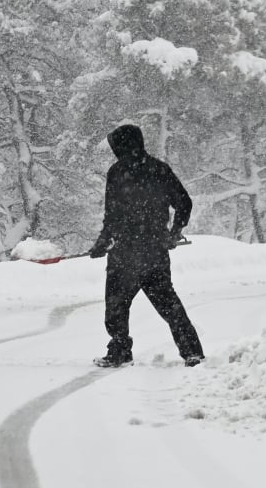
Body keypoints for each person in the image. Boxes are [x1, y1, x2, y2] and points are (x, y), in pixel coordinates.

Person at [89, 124, 204, 368]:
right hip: (151, 252)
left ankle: (121, 350)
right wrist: (174, 232)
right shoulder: (158, 169)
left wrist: (103, 241)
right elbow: (184, 202)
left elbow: (112, 215)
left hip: (127, 254)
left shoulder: (118, 173)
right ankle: (191, 352)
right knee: (168, 305)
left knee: (117, 307)